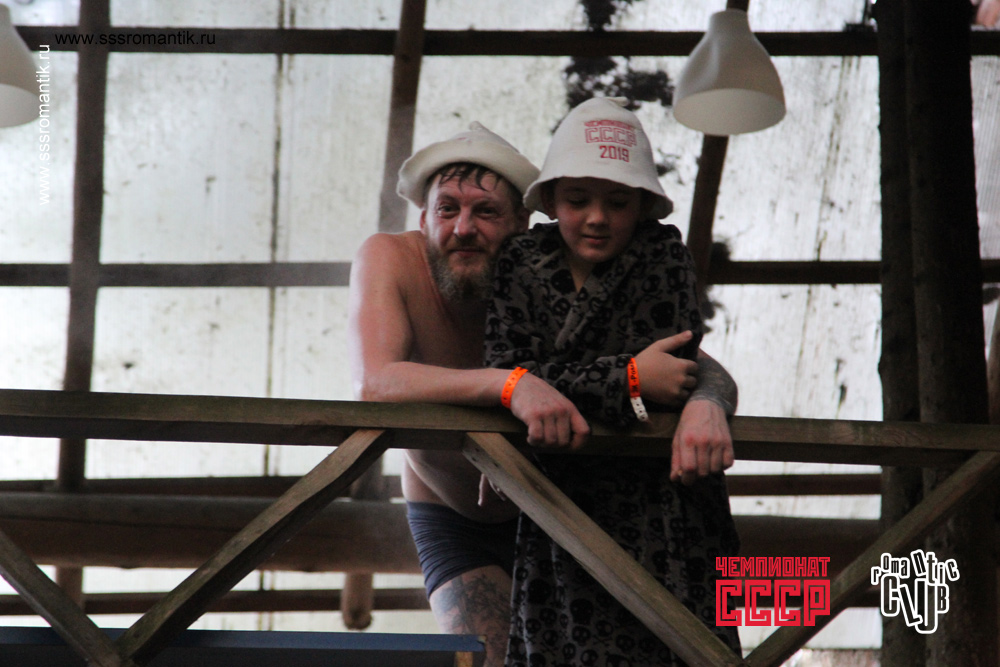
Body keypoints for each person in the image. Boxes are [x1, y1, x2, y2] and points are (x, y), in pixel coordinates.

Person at [484, 97, 741, 666]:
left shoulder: (665, 256)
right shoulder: (518, 260)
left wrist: (553, 386)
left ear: (644, 204)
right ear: (551, 198)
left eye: (618, 202)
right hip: (557, 505)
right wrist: (627, 377)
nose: (597, 217)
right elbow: (506, 370)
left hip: (664, 504)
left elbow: (673, 378)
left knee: (679, 645)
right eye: (578, 199)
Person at [346, 122, 591, 666]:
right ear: (423, 218)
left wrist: (706, 403)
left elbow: (684, 360)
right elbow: (374, 383)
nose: (463, 228)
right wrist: (508, 386)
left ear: (523, 224)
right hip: (450, 512)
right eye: (447, 209)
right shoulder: (390, 258)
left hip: (561, 506)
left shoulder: (561, 268)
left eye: (485, 212)